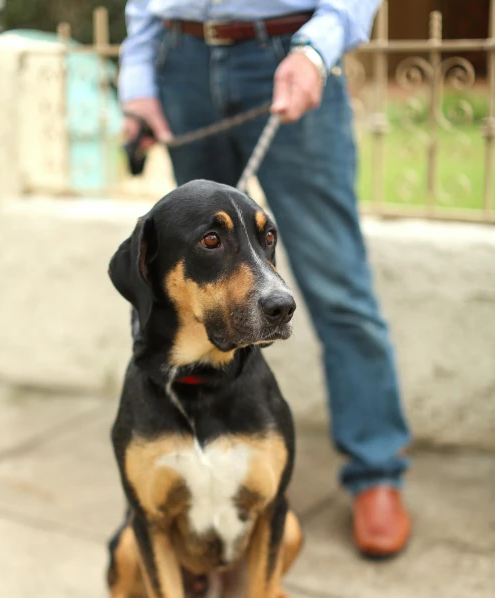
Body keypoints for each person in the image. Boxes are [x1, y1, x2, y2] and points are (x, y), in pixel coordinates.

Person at [118, 1, 412, 558]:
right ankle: (171, 473)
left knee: (337, 286)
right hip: (179, 60)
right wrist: (137, 72)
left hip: (285, 49)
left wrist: (317, 46)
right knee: (182, 287)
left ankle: (376, 472)